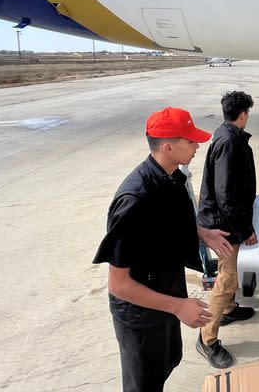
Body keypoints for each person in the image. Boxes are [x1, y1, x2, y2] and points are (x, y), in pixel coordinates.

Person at [93, 107, 233, 392]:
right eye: (191, 141)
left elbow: (166, 226)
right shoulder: (135, 200)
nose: (197, 146)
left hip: (164, 297)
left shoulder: (169, 178)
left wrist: (202, 234)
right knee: (144, 384)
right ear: (168, 147)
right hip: (141, 315)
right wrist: (179, 306)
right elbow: (118, 284)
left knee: (168, 361)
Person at [196, 91, 258, 368]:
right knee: (226, 277)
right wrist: (245, 231)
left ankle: (229, 310)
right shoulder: (229, 142)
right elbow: (226, 196)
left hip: (224, 220)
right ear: (242, 114)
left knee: (229, 273)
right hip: (222, 225)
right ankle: (207, 339)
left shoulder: (226, 135)